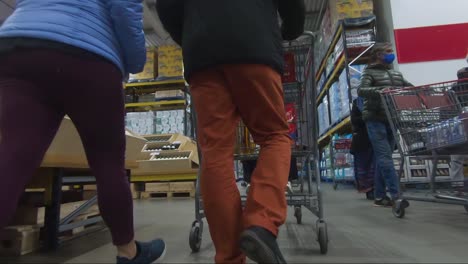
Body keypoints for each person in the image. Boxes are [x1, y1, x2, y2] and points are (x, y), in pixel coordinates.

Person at [0, 1, 165, 263]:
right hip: (85, 52)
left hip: (18, 45)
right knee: (108, 163)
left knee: (11, 160)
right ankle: (128, 251)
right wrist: (135, 62)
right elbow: (124, 7)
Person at [157, 0, 305, 263]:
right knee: (274, 137)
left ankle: (228, 257)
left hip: (202, 55)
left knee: (215, 154)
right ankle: (261, 222)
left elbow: (166, 6)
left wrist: (193, 35)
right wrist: (290, 30)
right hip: (253, 42)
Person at [358, 42, 412, 208]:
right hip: (375, 118)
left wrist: (421, 92)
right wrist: (380, 91)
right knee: (385, 157)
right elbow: (361, 90)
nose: (391, 54)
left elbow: (407, 86)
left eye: (391, 51)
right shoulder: (369, 72)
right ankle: (396, 195)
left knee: (384, 158)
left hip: (392, 117)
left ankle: (380, 196)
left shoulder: (395, 73)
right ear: (379, 55)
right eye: (387, 51)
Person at [350, 98, 375, 200]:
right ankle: (369, 189)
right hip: (363, 139)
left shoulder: (376, 99)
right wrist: (368, 117)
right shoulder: (358, 103)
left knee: (375, 165)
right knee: (364, 166)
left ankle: (375, 189)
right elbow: (354, 120)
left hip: (375, 137)